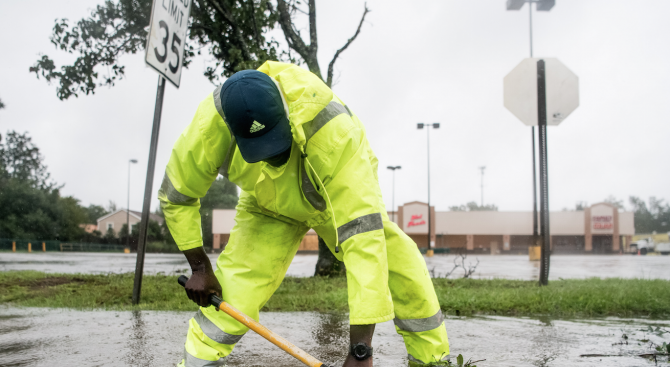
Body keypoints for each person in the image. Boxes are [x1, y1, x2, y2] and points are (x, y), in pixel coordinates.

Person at [159, 61, 450, 367]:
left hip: (329, 200)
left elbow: (364, 242)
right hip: (266, 203)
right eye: (261, 150)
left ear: (288, 114)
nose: (272, 156)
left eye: (277, 145)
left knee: (402, 269)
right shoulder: (209, 126)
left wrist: (360, 351)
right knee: (233, 291)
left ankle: (433, 361)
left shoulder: (334, 132)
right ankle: (196, 363)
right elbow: (177, 195)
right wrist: (200, 267)